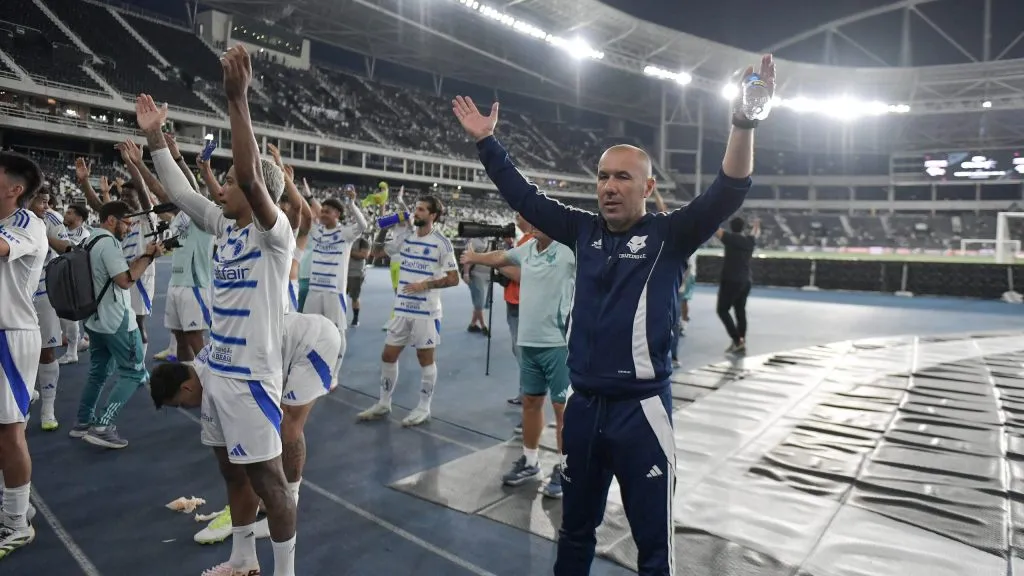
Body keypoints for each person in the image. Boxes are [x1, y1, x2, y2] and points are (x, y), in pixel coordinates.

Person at [452, 53, 774, 576]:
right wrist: (487, 142)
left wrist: (743, 121)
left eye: (623, 177)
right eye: (603, 176)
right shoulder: (582, 230)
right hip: (582, 410)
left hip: (642, 413)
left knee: (653, 549)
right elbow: (524, 197)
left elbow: (729, 189)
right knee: (573, 534)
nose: (609, 186)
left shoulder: (670, 235)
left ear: (648, 188)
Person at [138, 43, 298, 576]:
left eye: (227, 182)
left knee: (270, 481)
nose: (222, 186)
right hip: (215, 372)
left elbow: (250, 178)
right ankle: (243, 560)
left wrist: (237, 100)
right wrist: (156, 138)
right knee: (231, 471)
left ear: (255, 195)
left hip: (252, 379)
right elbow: (182, 194)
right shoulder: (224, 227)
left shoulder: (274, 235)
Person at [149, 311, 341, 544]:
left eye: (181, 404)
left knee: (288, 427)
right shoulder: (203, 369)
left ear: (187, 388)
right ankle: (277, 500)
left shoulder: (215, 381)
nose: (187, 408)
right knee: (273, 423)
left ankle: (288, 501)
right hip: (284, 347)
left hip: (314, 343)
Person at [460, 224, 575, 499]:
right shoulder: (528, 248)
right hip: (529, 341)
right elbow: (501, 257)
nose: (534, 225)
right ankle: (531, 462)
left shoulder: (569, 251)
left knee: (564, 410)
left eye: (540, 219)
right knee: (531, 402)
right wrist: (475, 257)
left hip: (559, 343)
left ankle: (566, 468)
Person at [356, 196, 459, 427]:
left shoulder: (442, 243)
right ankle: (384, 403)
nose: (416, 212)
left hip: (426, 312)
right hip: (401, 309)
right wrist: (385, 226)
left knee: (425, 359)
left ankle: (424, 407)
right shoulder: (406, 237)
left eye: (421, 209)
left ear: (433, 215)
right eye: (416, 209)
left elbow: (454, 278)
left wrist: (426, 285)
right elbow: (377, 252)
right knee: (388, 355)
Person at [70, 201, 163, 448]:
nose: (130, 228)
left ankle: (83, 422)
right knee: (133, 372)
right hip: (116, 319)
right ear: (112, 220)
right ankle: (102, 426)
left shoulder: (90, 239)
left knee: (98, 373)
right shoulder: (109, 244)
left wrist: (144, 257)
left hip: (95, 320)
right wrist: (149, 257)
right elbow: (125, 280)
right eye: (127, 223)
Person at [0, 151, 47, 561]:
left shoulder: (27, 223)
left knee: (9, 432)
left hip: (10, 338)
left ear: (15, 189)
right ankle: (15, 505)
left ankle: (16, 523)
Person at [302, 188, 367, 378]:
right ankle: (310, 369)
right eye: (322, 211)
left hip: (334, 292)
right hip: (314, 290)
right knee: (309, 331)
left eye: (327, 212)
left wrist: (352, 204)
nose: (322, 214)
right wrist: (309, 197)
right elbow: (308, 212)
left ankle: (334, 374)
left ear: (337, 214)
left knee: (337, 332)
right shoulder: (317, 231)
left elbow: (362, 225)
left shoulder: (345, 233)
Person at [27, 187, 71, 432]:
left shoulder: (52, 219)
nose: (45, 206)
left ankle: (48, 408)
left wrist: (43, 237)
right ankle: (24, 397)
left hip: (44, 294)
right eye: (41, 201)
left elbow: (68, 248)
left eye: (47, 201)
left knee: (47, 351)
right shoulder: (8, 214)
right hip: (14, 296)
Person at [714, 217, 759, 354]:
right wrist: (756, 225)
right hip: (746, 281)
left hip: (730, 280)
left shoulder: (729, 238)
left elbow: (714, 228)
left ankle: (737, 340)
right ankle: (741, 341)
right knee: (740, 311)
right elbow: (755, 232)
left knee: (722, 310)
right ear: (743, 227)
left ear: (731, 227)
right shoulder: (749, 241)